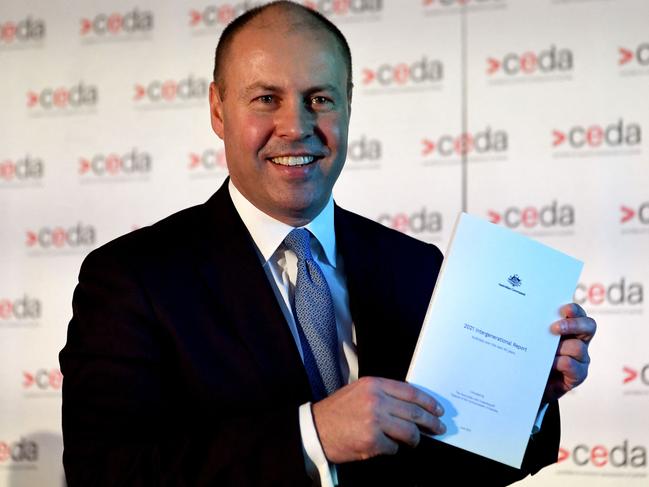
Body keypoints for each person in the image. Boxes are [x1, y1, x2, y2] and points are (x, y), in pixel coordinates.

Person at [59, 2, 597, 486]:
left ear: (348, 106)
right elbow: (103, 471)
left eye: (319, 98)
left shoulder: (414, 266)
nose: (296, 126)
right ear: (218, 111)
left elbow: (448, 468)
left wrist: (525, 396)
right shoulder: (132, 278)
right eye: (266, 98)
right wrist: (309, 437)